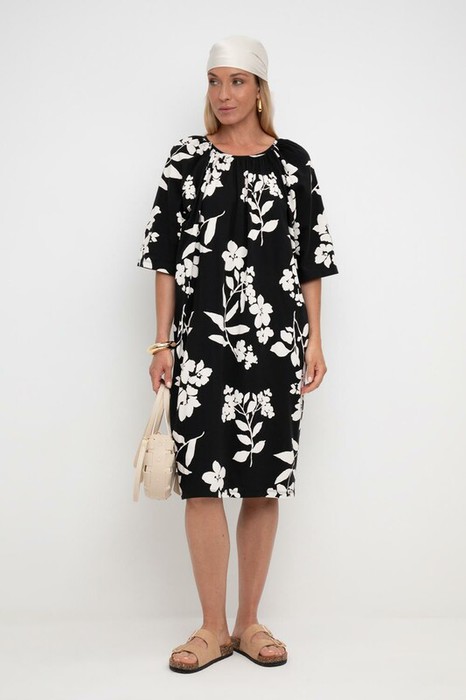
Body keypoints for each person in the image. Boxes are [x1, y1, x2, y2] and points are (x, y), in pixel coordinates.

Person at [136, 35, 339, 673]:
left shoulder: (293, 163)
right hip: (203, 345)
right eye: (214, 81)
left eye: (237, 81)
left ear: (259, 89)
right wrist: (163, 341)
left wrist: (314, 337)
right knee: (201, 482)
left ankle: (249, 623)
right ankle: (211, 628)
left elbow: (311, 257)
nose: (223, 94)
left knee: (261, 481)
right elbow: (164, 256)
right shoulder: (186, 159)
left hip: (275, 344)